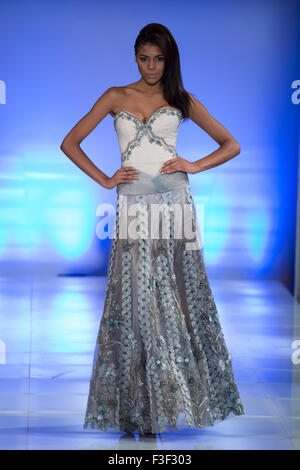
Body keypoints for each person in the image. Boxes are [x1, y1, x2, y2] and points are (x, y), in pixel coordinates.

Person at [60, 23, 244, 438]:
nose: (151, 66)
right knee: (136, 305)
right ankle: (139, 408)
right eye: (144, 58)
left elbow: (230, 144)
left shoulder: (179, 99)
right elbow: (70, 142)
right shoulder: (115, 97)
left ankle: (170, 402)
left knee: (177, 299)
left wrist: (193, 164)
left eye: (158, 58)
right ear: (135, 57)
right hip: (132, 209)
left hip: (175, 206)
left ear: (169, 59)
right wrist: (106, 179)